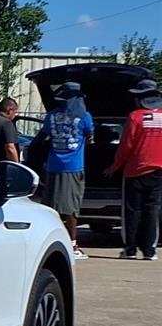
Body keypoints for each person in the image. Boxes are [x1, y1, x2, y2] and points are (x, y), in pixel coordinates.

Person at [105, 78, 162, 261]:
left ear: (140, 99)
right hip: (159, 171)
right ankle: (150, 251)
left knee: (132, 211)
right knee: (152, 210)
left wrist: (114, 167)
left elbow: (126, 146)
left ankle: (130, 250)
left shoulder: (135, 116)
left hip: (135, 170)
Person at [40, 81, 94, 259]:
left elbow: (45, 136)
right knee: (71, 208)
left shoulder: (51, 116)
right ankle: (72, 245)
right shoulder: (85, 117)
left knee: (52, 206)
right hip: (73, 167)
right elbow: (90, 136)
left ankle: (49, 240)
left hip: (53, 165)